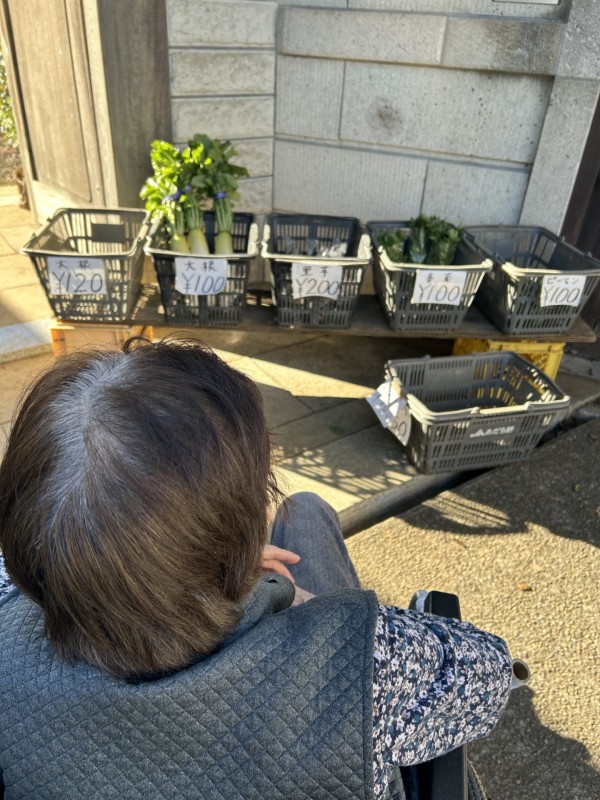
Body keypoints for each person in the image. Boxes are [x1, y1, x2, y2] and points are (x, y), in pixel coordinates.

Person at [0, 337, 513, 799]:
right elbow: (489, 675)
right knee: (307, 510)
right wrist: (305, 603)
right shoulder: (364, 667)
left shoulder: (8, 620)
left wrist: (203, 572)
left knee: (304, 508)